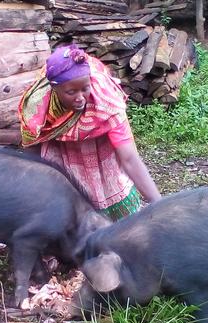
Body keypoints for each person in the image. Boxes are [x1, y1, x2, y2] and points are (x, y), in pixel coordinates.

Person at [18, 44, 161, 220]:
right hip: (60, 156)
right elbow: (31, 153)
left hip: (100, 153)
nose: (80, 97)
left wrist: (160, 205)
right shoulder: (38, 108)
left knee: (116, 224)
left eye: (85, 88)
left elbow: (129, 158)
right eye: (71, 92)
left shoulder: (107, 104)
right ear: (54, 89)